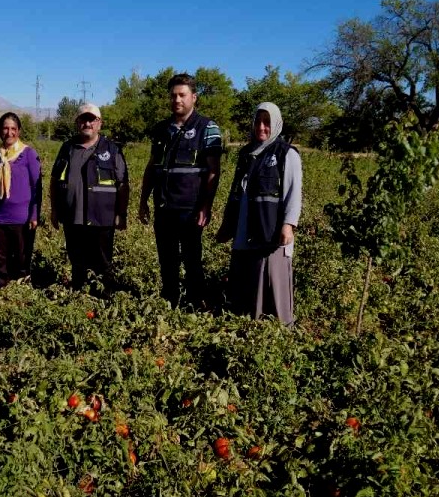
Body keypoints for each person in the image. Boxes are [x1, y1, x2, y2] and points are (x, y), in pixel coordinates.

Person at [138, 73, 223, 309]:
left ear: (193, 97)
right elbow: (152, 166)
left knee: (192, 258)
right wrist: (143, 200)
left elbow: (214, 171)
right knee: (167, 260)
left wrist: (206, 206)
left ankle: (196, 303)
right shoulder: (161, 129)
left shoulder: (208, 127)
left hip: (191, 208)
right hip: (164, 206)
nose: (177, 100)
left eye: (182, 95)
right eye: (173, 95)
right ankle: (170, 303)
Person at [215, 102, 302, 326]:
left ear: (276, 124)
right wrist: (227, 225)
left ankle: (279, 328)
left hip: (269, 229)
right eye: (258, 121)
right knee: (244, 277)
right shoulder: (246, 153)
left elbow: (294, 191)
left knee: (272, 277)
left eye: (267, 122)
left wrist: (288, 224)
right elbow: (236, 192)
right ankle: (247, 323)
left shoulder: (286, 153)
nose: (262, 127)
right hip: (245, 227)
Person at [50, 103, 129, 295]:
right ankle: (79, 297)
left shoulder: (111, 149)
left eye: (91, 119)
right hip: (72, 218)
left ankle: (103, 299)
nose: (87, 123)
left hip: (102, 218)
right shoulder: (67, 148)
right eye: (83, 119)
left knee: (102, 262)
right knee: (77, 262)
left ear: (99, 123)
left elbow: (123, 184)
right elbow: (54, 180)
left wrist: (121, 214)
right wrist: (54, 210)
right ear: (77, 122)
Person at [0, 112, 42, 287]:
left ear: (19, 131)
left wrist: (35, 214)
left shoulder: (28, 154)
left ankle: (22, 288)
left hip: (22, 217)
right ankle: (2, 288)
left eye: (13, 128)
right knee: (0, 257)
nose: (9, 132)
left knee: (22, 256)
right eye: (5, 128)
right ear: (0, 130)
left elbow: (37, 186)